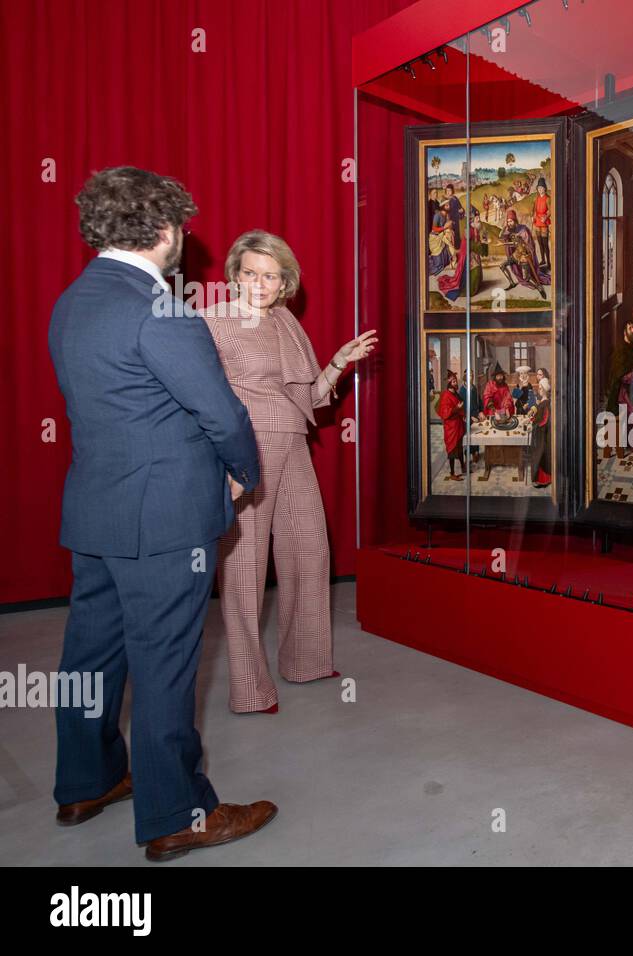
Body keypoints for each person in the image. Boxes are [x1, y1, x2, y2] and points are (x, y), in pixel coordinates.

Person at [48, 166, 274, 861]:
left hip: (96, 511)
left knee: (91, 655)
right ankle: (177, 814)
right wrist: (245, 473)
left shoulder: (71, 301)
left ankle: (87, 782)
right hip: (164, 520)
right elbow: (221, 413)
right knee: (165, 667)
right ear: (166, 230)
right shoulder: (161, 310)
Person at [202, 230, 377, 715]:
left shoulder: (286, 323)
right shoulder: (211, 322)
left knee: (309, 552)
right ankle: (249, 689)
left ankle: (306, 661)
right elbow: (200, 399)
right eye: (251, 273)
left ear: (285, 282)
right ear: (235, 274)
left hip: (294, 447)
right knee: (243, 570)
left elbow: (311, 399)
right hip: (245, 454)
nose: (260, 283)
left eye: (271, 275)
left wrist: (340, 361)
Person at [500, 209, 549, 299]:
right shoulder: (509, 229)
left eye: (510, 221)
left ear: (514, 220)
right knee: (502, 266)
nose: (509, 223)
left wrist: (524, 251)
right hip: (516, 255)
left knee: (527, 277)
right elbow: (501, 236)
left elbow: (530, 245)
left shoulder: (523, 230)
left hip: (524, 256)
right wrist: (504, 228)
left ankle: (539, 287)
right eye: (508, 221)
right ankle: (512, 283)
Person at [438, 370, 467, 481]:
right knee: (452, 450)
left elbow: (460, 407)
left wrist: (462, 414)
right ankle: (452, 473)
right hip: (451, 428)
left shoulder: (455, 393)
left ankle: (463, 467)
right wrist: (457, 408)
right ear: (449, 383)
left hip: (458, 426)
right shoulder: (446, 395)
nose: (456, 383)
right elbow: (446, 412)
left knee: (459, 448)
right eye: (454, 381)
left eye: (456, 381)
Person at [529, 377, 553, 487]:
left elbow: (545, 420)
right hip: (540, 432)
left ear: (544, 390)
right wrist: (532, 419)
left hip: (542, 434)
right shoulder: (543, 402)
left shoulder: (546, 403)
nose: (539, 389)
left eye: (540, 388)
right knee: (538, 455)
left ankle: (544, 480)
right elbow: (539, 417)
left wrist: (534, 425)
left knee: (541, 456)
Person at [533, 177, 551, 269]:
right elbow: (535, 210)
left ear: (545, 188)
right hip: (537, 223)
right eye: (539, 188)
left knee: (545, 244)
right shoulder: (536, 199)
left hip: (544, 222)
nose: (540, 190)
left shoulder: (548, 198)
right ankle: (543, 259)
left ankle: (548, 262)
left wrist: (546, 217)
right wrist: (534, 216)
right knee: (539, 243)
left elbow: (551, 210)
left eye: (542, 188)